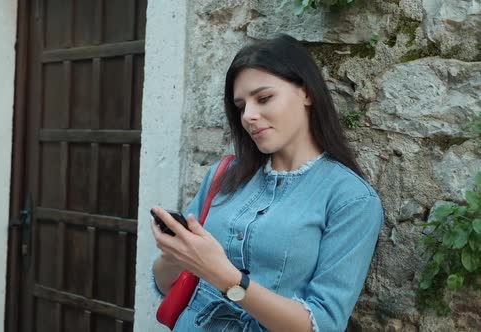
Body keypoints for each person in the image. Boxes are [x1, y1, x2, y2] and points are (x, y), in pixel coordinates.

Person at [151, 34, 384, 332]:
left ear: (307, 92)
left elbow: (322, 325)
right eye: (241, 105)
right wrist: (177, 256)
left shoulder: (352, 200)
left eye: (263, 98)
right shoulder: (223, 175)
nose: (248, 116)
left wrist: (227, 279)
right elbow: (163, 282)